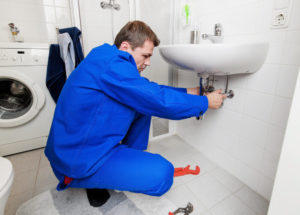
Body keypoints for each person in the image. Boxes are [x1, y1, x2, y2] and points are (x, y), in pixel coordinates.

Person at [45, 20, 226, 207]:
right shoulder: (112, 64)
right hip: (77, 158)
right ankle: (85, 178)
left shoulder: (107, 57)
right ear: (125, 47)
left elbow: (147, 90)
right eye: (145, 55)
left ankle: (125, 162)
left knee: (142, 107)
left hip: (85, 143)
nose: (147, 62)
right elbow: (157, 100)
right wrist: (205, 102)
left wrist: (193, 92)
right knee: (162, 174)